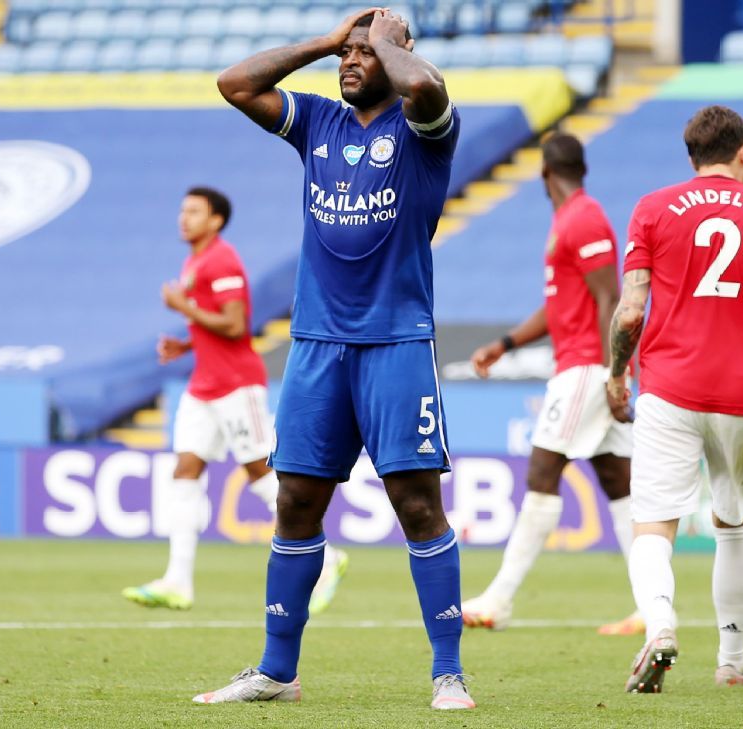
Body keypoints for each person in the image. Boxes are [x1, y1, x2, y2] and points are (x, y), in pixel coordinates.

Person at [196, 8, 473, 710]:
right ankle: (276, 671)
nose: (350, 61)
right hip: (317, 343)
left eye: (364, 52)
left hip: (396, 341)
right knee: (294, 500)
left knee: (416, 504)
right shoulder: (318, 121)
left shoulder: (422, 127)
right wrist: (326, 41)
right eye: (344, 54)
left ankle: (448, 673)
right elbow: (234, 84)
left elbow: (426, 88)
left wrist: (386, 41)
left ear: (398, 53)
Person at [605, 105, 743, 693]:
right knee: (734, 523)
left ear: (692, 155)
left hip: (670, 388)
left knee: (653, 526)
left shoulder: (653, 209)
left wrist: (616, 375)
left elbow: (631, 311)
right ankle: (732, 662)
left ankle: (660, 628)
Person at [123, 186, 348, 614]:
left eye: (194, 211)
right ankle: (177, 580)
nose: (183, 218)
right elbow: (214, 327)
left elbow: (234, 325)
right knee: (185, 470)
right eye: (182, 210)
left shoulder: (221, 260)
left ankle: (327, 558)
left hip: (235, 385)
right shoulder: (195, 262)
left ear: (216, 221)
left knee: (260, 472)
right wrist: (187, 344)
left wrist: (184, 307)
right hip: (203, 385)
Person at [460, 131, 642, 636]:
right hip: (590, 366)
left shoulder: (583, 218)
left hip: (588, 367)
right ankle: (652, 606)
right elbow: (561, 304)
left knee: (542, 471)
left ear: (544, 173)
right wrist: (506, 343)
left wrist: (614, 372)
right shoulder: (569, 220)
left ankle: (499, 599)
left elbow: (611, 298)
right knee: (618, 483)